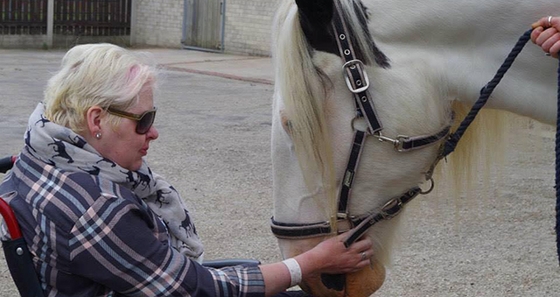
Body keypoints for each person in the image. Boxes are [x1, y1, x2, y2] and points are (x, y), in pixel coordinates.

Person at [0, 43, 373, 297]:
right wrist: (308, 263)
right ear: (96, 119)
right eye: (144, 120)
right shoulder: (96, 210)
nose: (154, 132)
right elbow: (196, 289)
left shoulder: (40, 156)